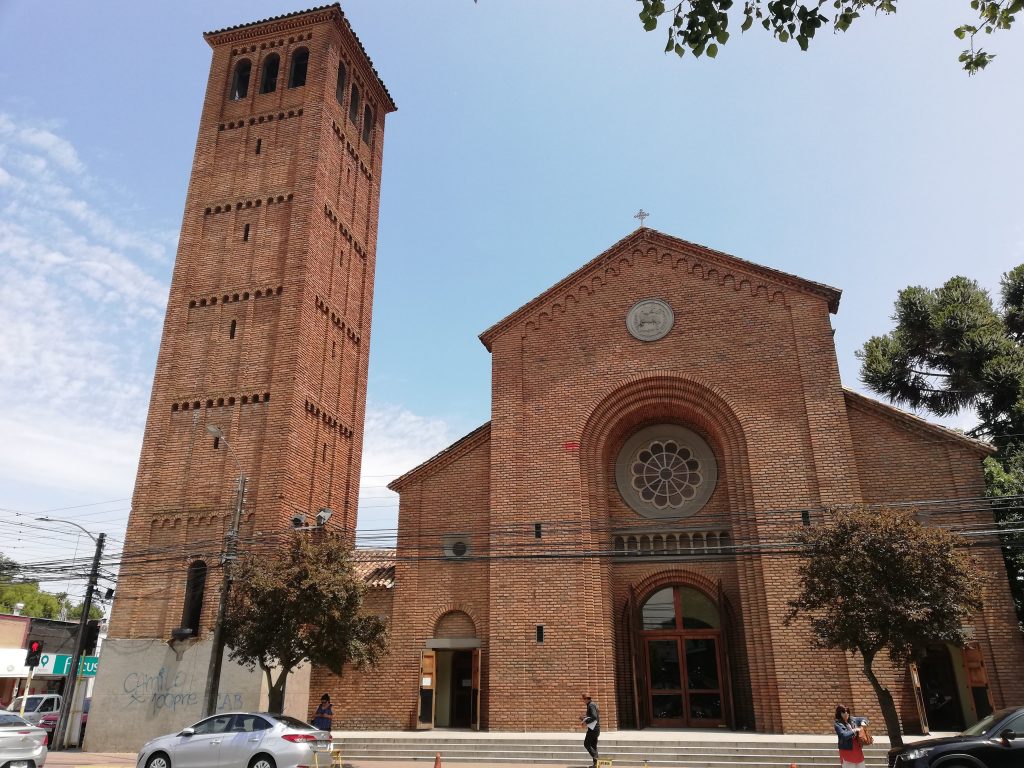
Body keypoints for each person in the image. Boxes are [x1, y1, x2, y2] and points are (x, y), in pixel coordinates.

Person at [579, 693, 600, 767]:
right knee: (593, 746)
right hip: (595, 729)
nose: (583, 701)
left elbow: (594, 717)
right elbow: (593, 716)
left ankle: (596, 759)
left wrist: (586, 721)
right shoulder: (592, 704)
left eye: (583, 699)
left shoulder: (591, 705)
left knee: (586, 744)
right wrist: (584, 718)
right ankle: (596, 765)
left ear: (587, 699)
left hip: (593, 729)